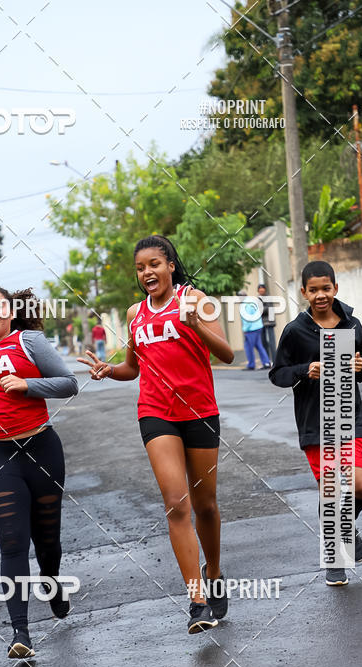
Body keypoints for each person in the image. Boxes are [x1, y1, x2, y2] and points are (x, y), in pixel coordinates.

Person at [78, 235, 234, 635]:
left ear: (170, 266)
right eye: (140, 268)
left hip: (199, 411)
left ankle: (214, 572)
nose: (147, 272)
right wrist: (108, 370)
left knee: (206, 505)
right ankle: (197, 601)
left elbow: (227, 354)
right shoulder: (135, 313)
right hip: (156, 413)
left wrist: (196, 325)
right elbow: (133, 367)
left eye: (154, 264)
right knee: (176, 503)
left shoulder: (195, 300)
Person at [0, 286, 78, 660]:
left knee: (47, 540)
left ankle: (51, 580)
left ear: (11, 312)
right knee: (12, 543)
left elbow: (69, 383)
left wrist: (27, 385)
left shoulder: (29, 341)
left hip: (41, 450)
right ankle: (20, 633)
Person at [269, 261, 362, 586]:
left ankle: (345, 528)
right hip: (316, 423)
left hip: (351, 418)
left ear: (335, 288)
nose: (320, 295)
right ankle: (335, 558)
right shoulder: (295, 330)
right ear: (304, 292)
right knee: (331, 491)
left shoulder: (352, 325)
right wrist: (305, 370)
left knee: (361, 486)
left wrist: (359, 367)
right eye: (313, 290)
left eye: (326, 288)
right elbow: (278, 374)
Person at [240, 293, 270, 370]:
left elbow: (247, 318)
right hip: (258, 326)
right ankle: (266, 363)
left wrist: (245, 330)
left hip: (251, 329)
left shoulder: (245, 304)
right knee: (259, 345)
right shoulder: (252, 301)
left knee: (248, 347)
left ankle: (251, 365)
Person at [259, 283, 277, 365]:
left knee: (271, 342)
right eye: (260, 289)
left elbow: (268, 308)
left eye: (262, 288)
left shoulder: (268, 297)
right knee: (264, 342)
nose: (261, 290)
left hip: (269, 323)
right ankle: (267, 361)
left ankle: (275, 361)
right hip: (261, 323)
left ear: (265, 289)